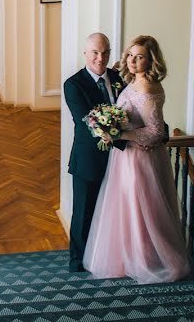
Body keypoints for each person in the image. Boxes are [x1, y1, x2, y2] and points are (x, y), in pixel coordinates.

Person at [82, 35, 190, 283]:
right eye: (130, 54)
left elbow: (156, 132)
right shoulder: (133, 82)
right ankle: (129, 257)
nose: (132, 60)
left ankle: (149, 260)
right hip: (126, 157)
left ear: (150, 61)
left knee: (143, 210)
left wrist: (118, 133)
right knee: (128, 208)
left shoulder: (149, 88)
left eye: (139, 56)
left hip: (141, 159)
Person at [63, 33, 125, 273]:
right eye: (95, 53)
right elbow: (88, 123)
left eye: (105, 53)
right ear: (85, 54)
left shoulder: (119, 78)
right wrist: (126, 134)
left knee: (112, 210)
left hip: (120, 159)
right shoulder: (73, 84)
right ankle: (77, 261)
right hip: (88, 159)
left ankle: (105, 256)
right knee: (83, 213)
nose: (101, 58)